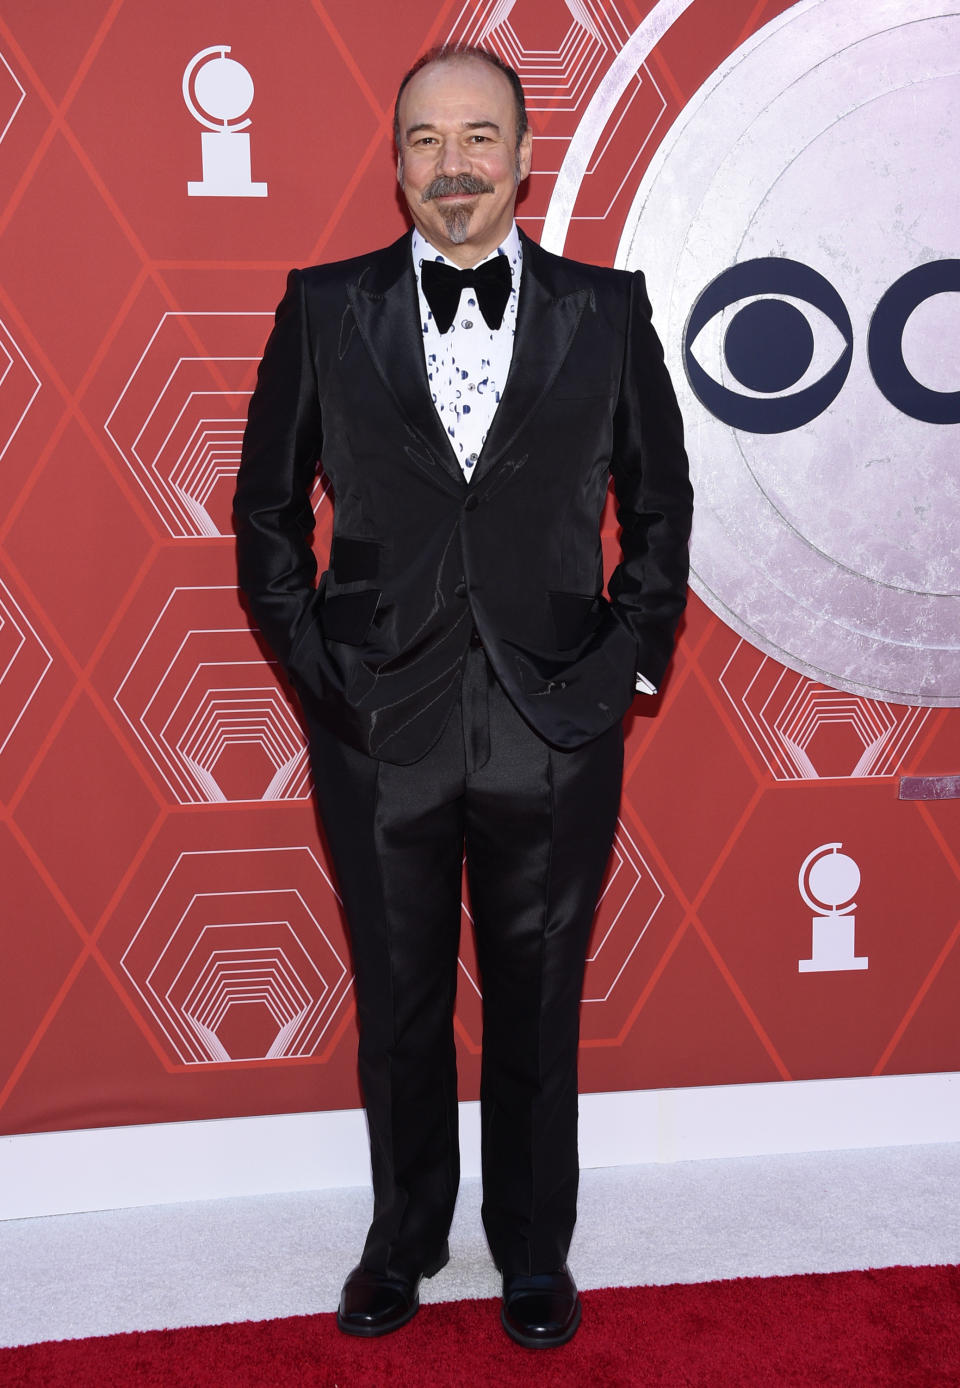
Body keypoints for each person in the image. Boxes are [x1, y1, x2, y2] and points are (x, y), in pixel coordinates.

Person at [234, 44, 692, 1349]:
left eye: (479, 137)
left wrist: (623, 670)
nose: (454, 165)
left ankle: (532, 1255)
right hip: (378, 722)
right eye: (427, 140)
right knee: (401, 1001)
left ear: (523, 156)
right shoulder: (326, 307)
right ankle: (405, 1238)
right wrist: (323, 682)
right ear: (395, 165)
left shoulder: (608, 312)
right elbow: (266, 513)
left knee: (541, 1001)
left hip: (557, 720)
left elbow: (660, 509)